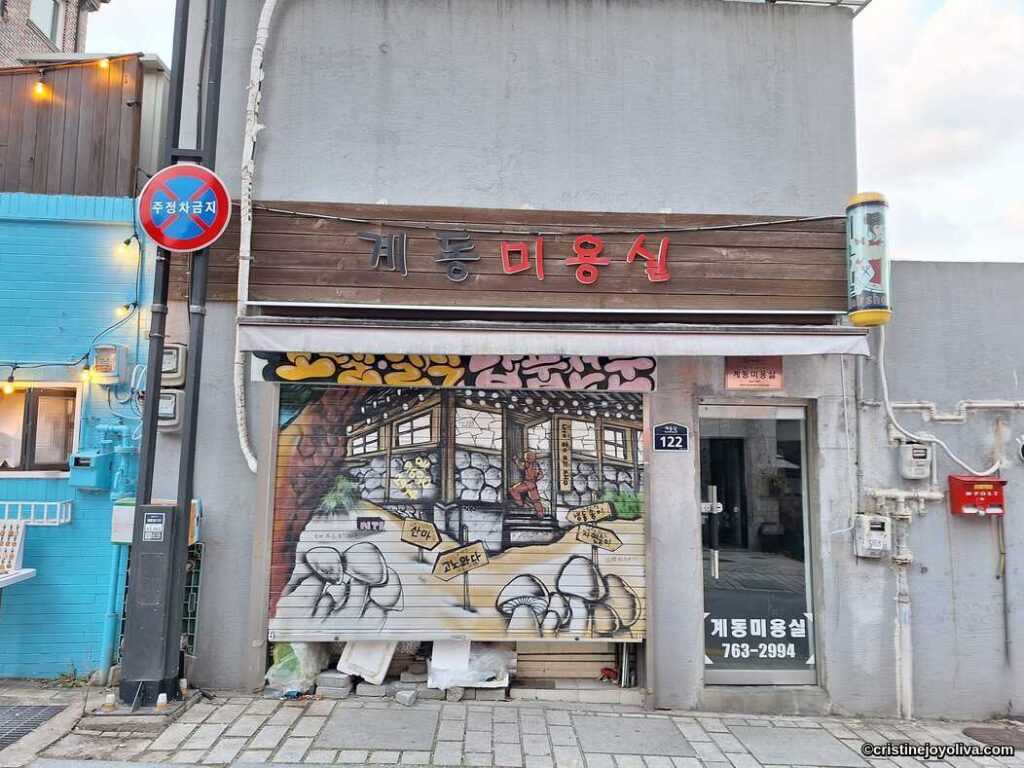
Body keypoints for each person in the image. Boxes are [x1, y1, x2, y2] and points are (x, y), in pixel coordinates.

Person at [510, 451, 545, 517]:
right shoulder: (536, 465)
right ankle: (540, 515)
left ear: (528, 457)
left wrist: (515, 459)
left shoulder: (527, 464)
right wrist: (534, 480)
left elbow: (521, 466)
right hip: (533, 484)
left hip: (527, 483)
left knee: (513, 489)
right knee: (536, 500)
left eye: (526, 457)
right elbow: (541, 475)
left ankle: (520, 503)